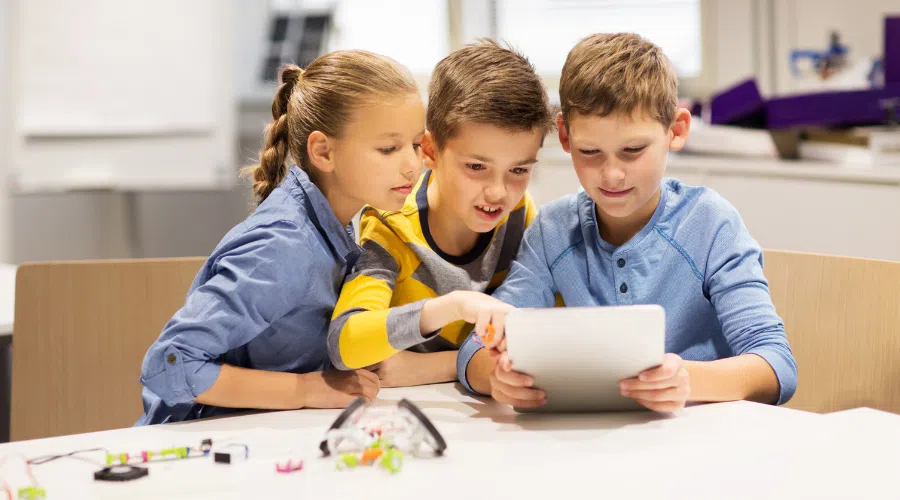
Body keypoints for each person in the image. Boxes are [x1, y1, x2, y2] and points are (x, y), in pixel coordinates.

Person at [137, 50, 426, 424]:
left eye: (416, 144)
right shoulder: (285, 246)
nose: (412, 164)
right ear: (323, 152)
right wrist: (303, 390)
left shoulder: (340, 222)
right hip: (203, 441)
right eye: (388, 149)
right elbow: (170, 364)